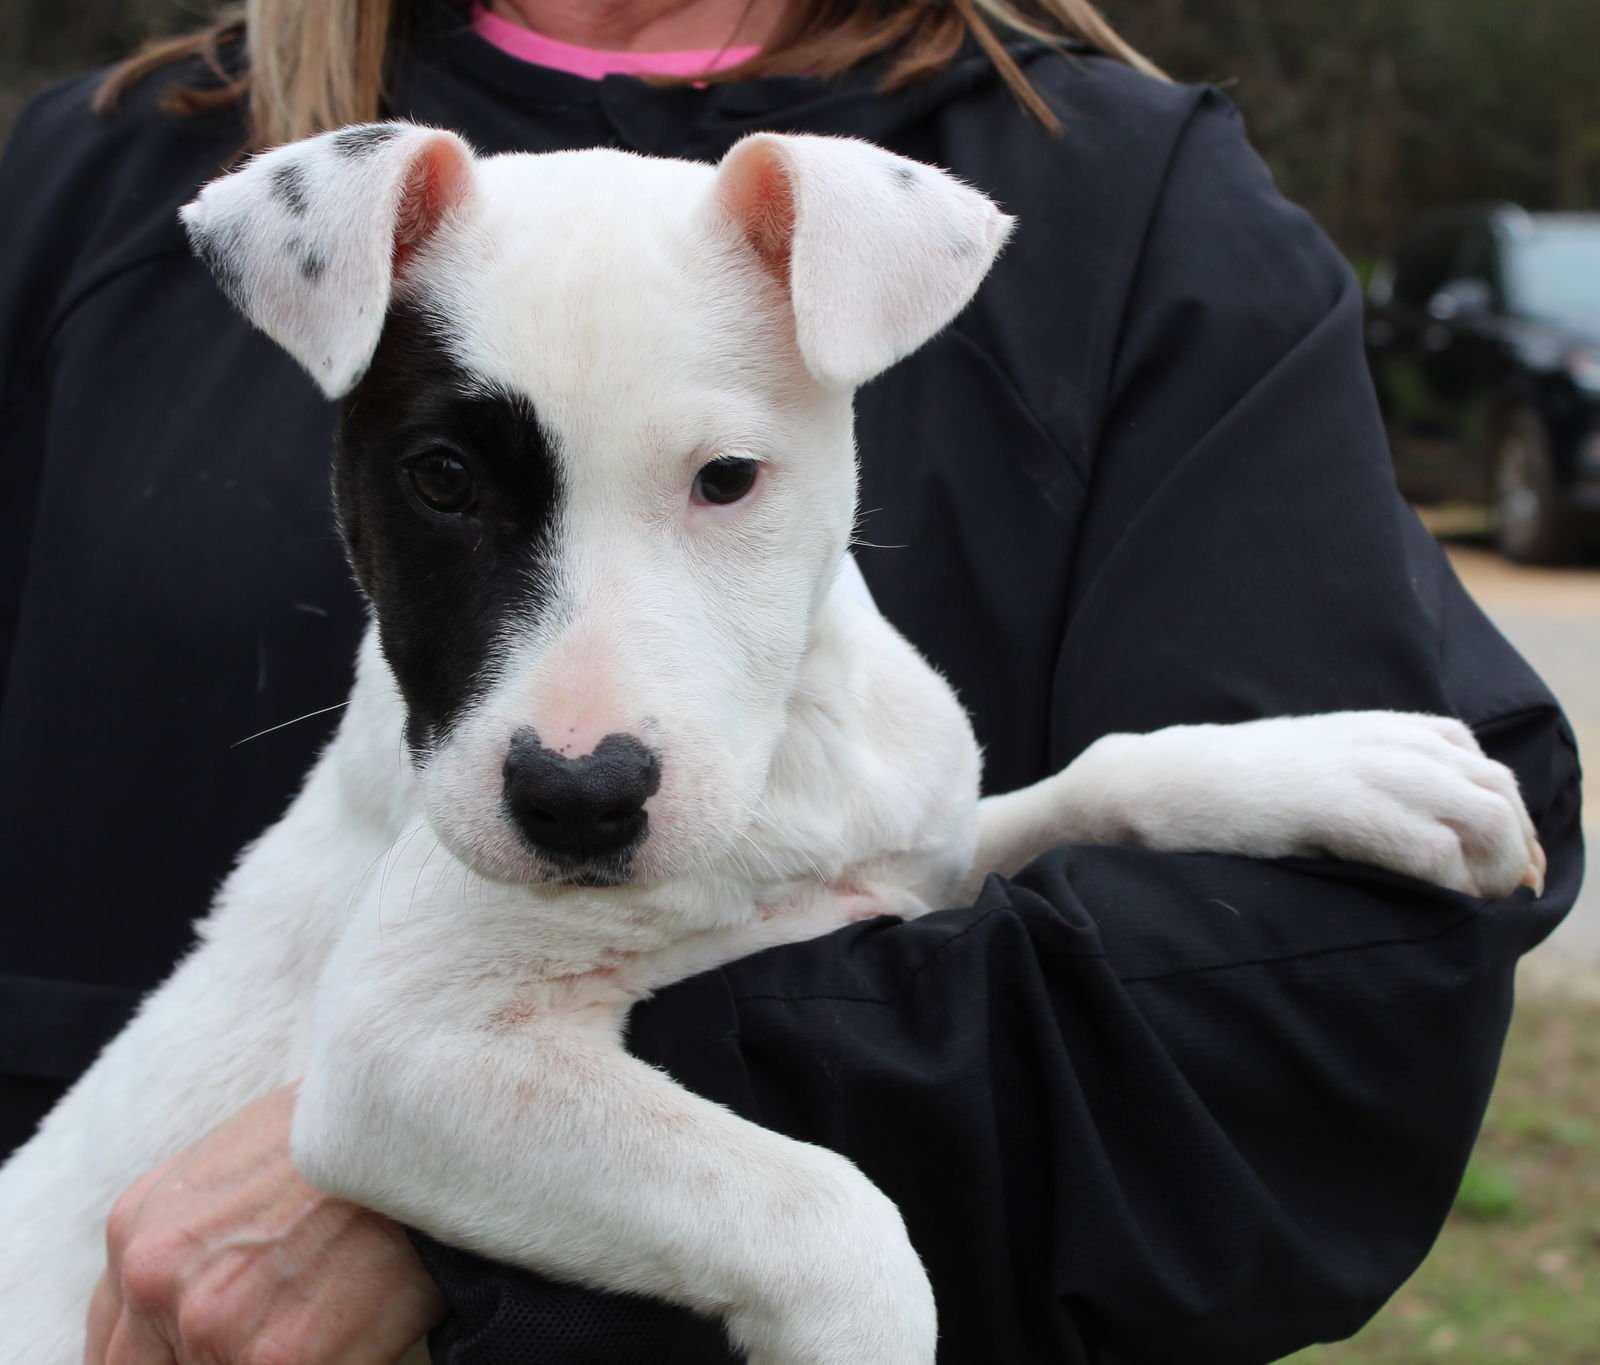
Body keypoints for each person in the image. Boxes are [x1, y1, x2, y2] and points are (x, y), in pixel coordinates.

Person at [0, 0, 1581, 1360]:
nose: (583, 734)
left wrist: (1139, 789)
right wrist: (819, 1250)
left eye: (722, 480)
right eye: (448, 481)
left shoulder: (1127, 207)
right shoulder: (105, 179)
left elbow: (861, 891)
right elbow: (387, 1085)